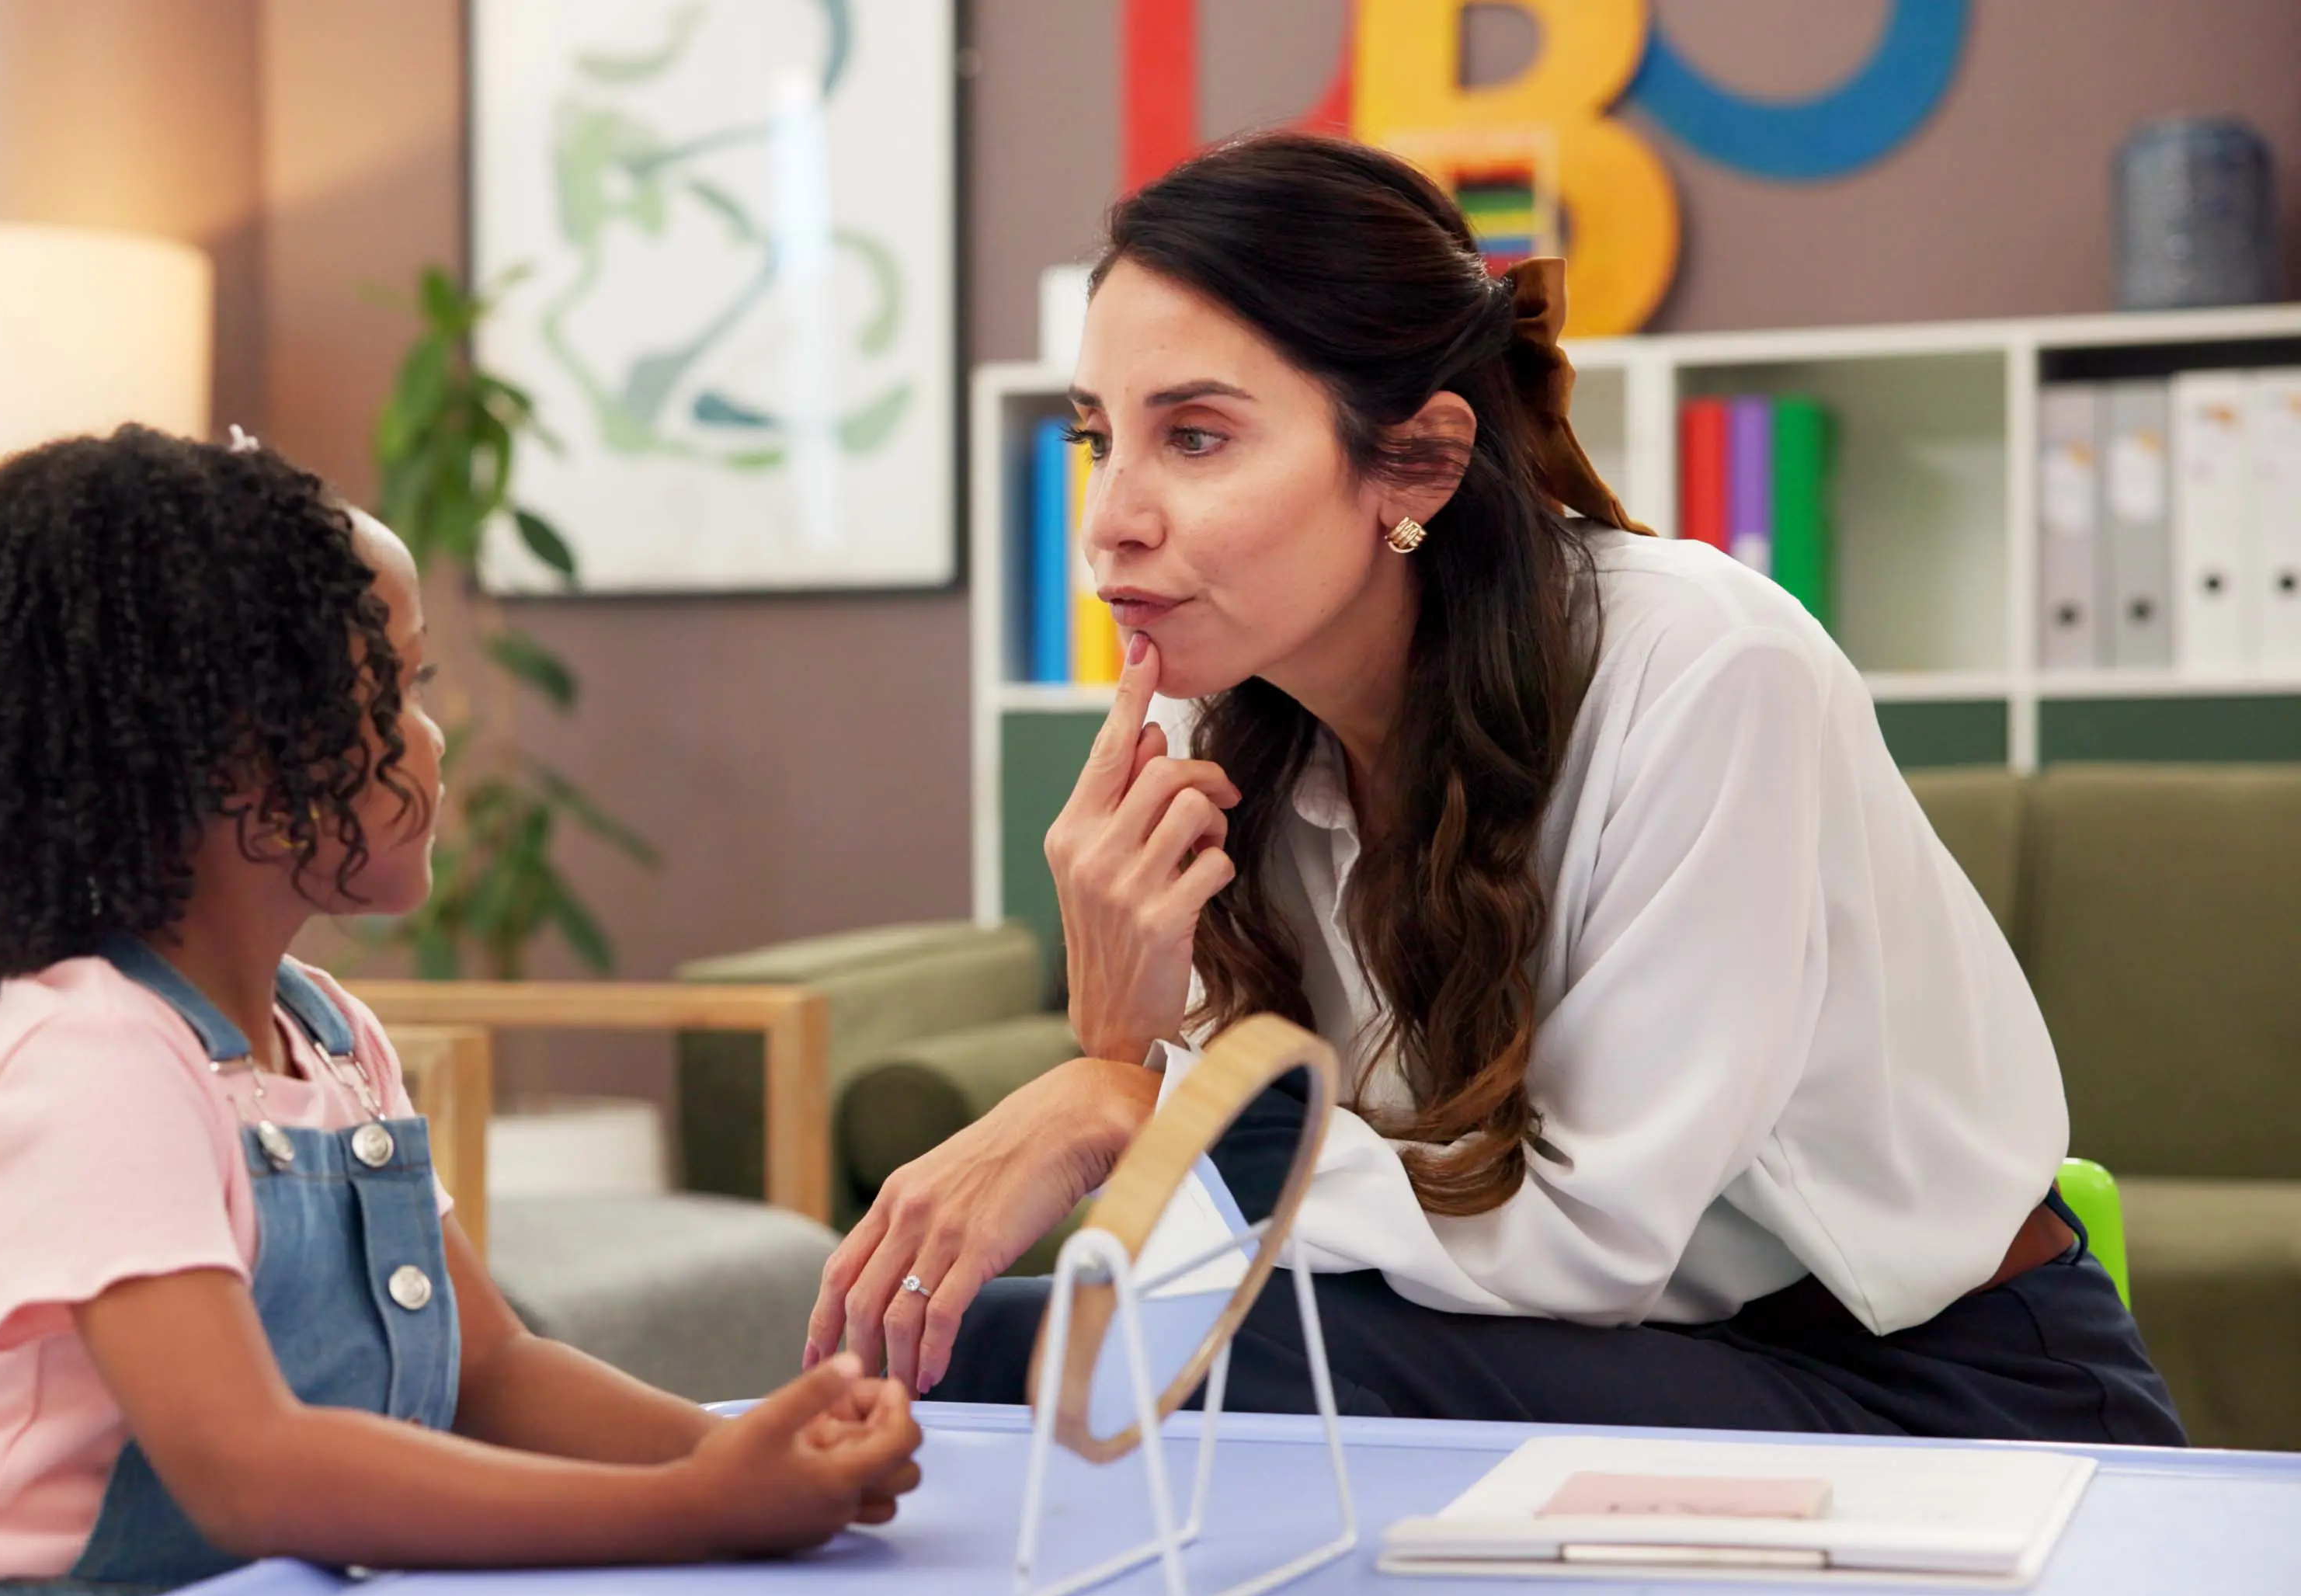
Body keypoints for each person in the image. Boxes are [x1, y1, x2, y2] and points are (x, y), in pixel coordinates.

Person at [807, 132, 2181, 1447]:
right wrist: (1122, 1045)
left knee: (1185, 1364)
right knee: (994, 1352)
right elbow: (1303, 1232)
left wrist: (1129, 1103)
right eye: (1102, 438)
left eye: (1202, 438)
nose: (1114, 518)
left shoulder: (1706, 667)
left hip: (1931, 1391)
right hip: (1610, 1358)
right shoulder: (1226, 728)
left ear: (1417, 460)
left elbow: (1591, 1245)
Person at [0, 427, 923, 1596]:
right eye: (393, 692)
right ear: (232, 759)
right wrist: (695, 1510)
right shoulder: (92, 1060)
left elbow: (492, 1365)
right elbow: (253, 1470)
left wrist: (736, 1456)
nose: (434, 738)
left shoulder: (328, 1035)